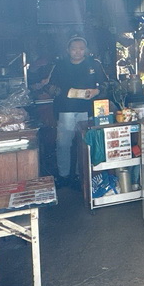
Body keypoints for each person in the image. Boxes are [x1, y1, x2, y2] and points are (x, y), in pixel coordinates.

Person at [39, 36, 105, 188]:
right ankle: (64, 176)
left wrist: (97, 91)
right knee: (63, 144)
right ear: (68, 50)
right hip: (65, 111)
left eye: (81, 49)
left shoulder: (94, 64)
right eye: (74, 49)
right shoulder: (60, 66)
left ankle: (81, 175)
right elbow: (49, 87)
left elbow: (107, 84)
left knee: (85, 144)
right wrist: (60, 92)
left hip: (88, 111)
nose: (78, 52)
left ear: (85, 50)